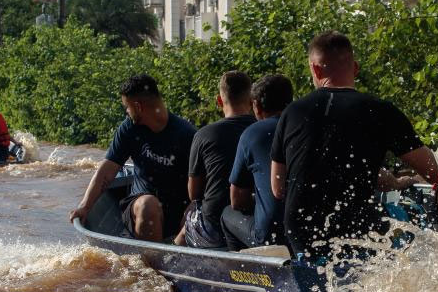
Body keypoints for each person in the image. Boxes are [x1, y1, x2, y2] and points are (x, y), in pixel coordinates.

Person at [270, 31, 438, 263]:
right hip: (356, 224)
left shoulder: (293, 112)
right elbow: (433, 171)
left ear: (315, 70)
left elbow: (278, 188)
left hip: (301, 227)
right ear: (356, 68)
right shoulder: (381, 111)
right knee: (415, 232)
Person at [69, 74, 196, 243]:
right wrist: (85, 207)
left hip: (178, 211)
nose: (127, 113)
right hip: (140, 206)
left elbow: (201, 184)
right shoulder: (129, 129)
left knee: (194, 212)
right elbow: (107, 170)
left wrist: (193, 209)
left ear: (138, 106)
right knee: (148, 205)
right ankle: (149, 263)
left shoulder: (187, 134)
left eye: (127, 108)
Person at [178, 71, 257, 248]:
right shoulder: (262, 130)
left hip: (214, 228)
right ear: (252, 101)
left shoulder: (204, 134)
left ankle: (170, 261)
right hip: (252, 222)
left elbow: (194, 193)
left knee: (188, 219)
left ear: (219, 101)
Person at [222, 74, 293, 251]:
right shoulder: (304, 127)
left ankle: (242, 270)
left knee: (227, 214)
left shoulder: (251, 134)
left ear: (256, 106)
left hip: (272, 236)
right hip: (306, 229)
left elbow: (237, 200)